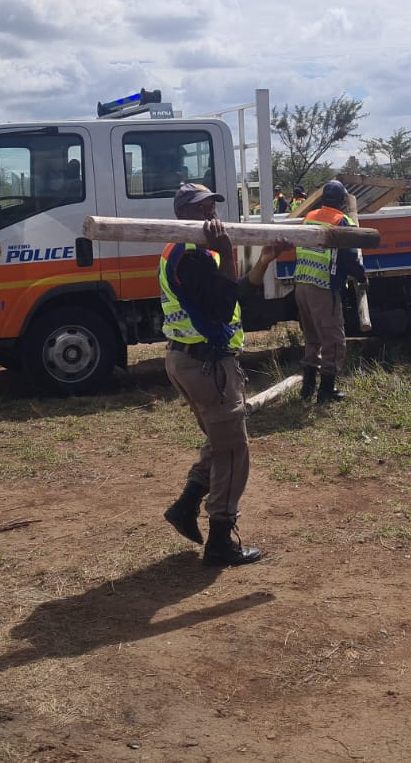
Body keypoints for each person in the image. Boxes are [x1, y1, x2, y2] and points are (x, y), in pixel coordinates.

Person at [159, 183, 290, 566]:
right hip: (205, 365)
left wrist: (263, 261)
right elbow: (219, 308)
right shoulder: (191, 257)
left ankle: (186, 506)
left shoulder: (197, 251)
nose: (211, 216)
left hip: (193, 361)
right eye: (202, 210)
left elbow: (234, 298)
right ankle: (220, 540)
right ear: (183, 215)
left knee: (221, 439)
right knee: (233, 450)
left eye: (212, 207)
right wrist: (230, 252)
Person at [293, 180, 366, 402]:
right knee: (333, 339)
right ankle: (326, 390)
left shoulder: (310, 216)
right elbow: (351, 257)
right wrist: (362, 276)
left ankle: (307, 387)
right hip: (323, 287)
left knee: (312, 337)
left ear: (323, 199)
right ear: (343, 200)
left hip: (302, 285)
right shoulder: (341, 221)